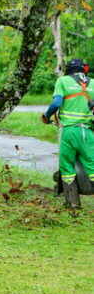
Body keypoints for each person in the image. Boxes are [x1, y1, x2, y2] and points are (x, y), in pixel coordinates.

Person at [41, 58, 94, 208]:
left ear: (68, 70)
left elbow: (56, 103)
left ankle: (73, 204)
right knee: (92, 166)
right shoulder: (93, 83)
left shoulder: (62, 81)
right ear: (84, 70)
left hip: (69, 132)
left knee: (67, 167)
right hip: (89, 133)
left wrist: (46, 116)